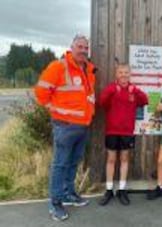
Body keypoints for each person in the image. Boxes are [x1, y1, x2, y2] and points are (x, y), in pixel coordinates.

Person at [34, 34, 96, 221]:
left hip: (82, 126)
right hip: (64, 126)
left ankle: (69, 194)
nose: (83, 50)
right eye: (80, 47)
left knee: (73, 162)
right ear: (71, 47)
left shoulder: (88, 69)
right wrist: (54, 110)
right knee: (60, 164)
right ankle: (55, 203)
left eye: (86, 48)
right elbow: (41, 92)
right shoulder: (59, 67)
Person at [98, 63, 148, 206]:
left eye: (126, 72)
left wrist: (135, 91)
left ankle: (122, 189)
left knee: (125, 159)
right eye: (121, 72)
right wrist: (114, 89)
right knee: (111, 160)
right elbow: (102, 101)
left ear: (129, 74)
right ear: (116, 74)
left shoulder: (133, 90)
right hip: (112, 131)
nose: (124, 75)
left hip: (127, 131)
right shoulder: (112, 88)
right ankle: (109, 190)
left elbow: (145, 100)